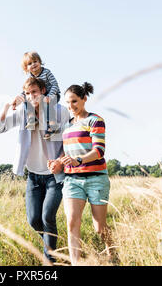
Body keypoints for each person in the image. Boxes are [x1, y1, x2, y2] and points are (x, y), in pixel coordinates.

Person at [0, 77, 69, 264]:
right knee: (34, 219)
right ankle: (52, 246)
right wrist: (6, 107)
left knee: (47, 217)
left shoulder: (59, 112)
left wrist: (61, 161)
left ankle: (50, 261)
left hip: (55, 175)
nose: (31, 96)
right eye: (27, 93)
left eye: (34, 92)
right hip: (34, 176)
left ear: (43, 91)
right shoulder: (23, 113)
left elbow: (69, 141)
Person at [56, 82, 114, 266]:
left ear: (84, 99)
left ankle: (112, 254)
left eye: (74, 101)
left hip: (96, 179)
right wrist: (57, 162)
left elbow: (99, 151)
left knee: (100, 228)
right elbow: (66, 153)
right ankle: (76, 263)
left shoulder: (95, 121)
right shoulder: (66, 126)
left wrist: (79, 160)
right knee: (72, 222)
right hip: (72, 180)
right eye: (67, 102)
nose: (71, 106)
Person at [11, 51, 61, 140]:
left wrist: (49, 96)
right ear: (26, 68)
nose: (33, 64)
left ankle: (53, 126)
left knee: (47, 105)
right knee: (27, 99)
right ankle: (32, 118)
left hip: (53, 94)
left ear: (40, 62)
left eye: (35, 61)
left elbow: (55, 85)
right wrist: (17, 99)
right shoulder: (31, 79)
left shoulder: (46, 72)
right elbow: (25, 91)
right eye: (30, 63)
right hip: (41, 96)